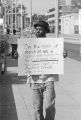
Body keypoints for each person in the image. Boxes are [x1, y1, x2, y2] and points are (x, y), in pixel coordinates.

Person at [30, 20, 59, 120]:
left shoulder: (53, 43)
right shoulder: (29, 43)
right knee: (37, 109)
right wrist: (18, 55)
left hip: (48, 79)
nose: (37, 31)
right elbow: (23, 59)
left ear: (45, 31)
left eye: (39, 29)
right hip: (34, 80)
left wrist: (62, 54)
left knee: (49, 107)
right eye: (36, 29)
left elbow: (57, 56)